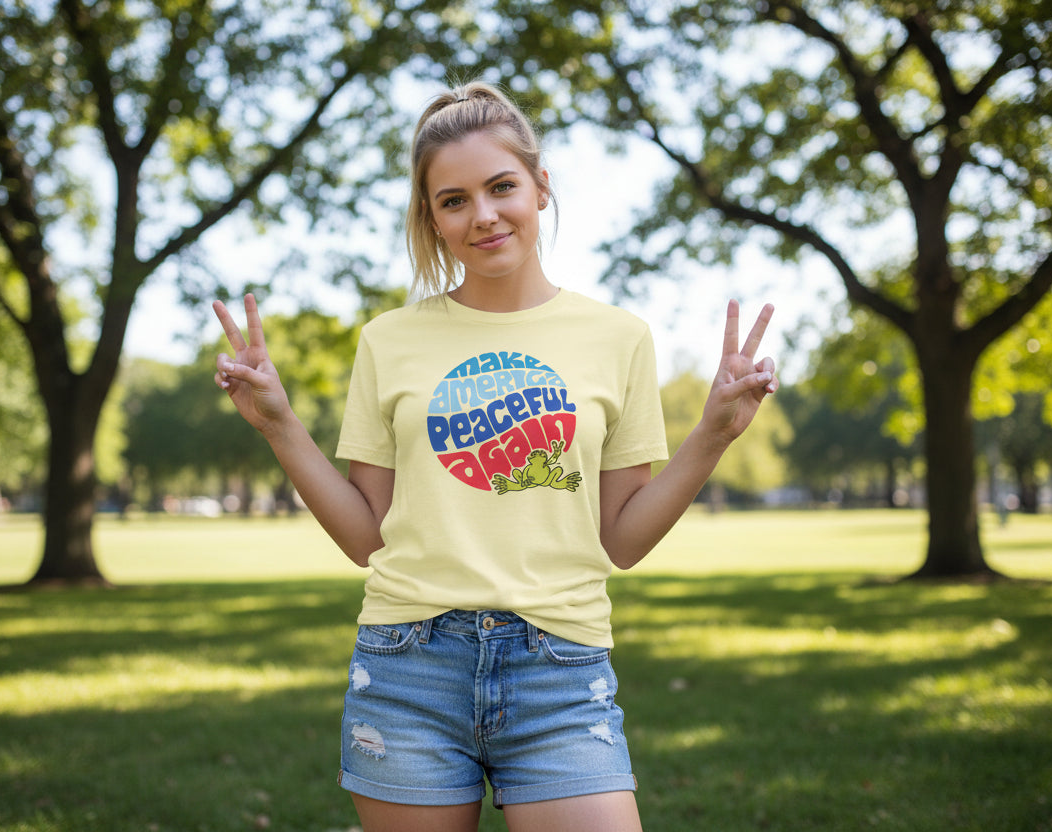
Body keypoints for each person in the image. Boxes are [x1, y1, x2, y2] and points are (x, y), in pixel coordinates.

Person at [212, 80, 778, 832]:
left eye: (501, 186)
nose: (482, 215)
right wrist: (279, 424)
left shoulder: (620, 337)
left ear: (541, 189)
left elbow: (622, 540)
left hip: (560, 669)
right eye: (453, 200)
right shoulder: (390, 339)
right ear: (433, 219)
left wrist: (714, 433)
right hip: (409, 664)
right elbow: (363, 536)